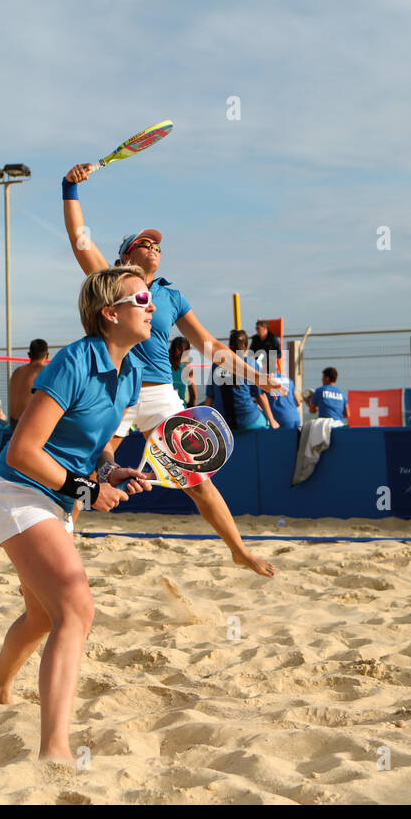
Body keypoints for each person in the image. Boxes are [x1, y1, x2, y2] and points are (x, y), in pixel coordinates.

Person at [62, 162, 285, 578]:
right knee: (86, 472)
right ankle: (56, 559)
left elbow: (210, 346)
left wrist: (257, 376)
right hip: (117, 389)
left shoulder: (171, 295)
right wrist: (69, 189)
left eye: (160, 245)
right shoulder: (115, 283)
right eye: (146, 242)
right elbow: (79, 242)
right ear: (127, 254)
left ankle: (238, 550)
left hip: (161, 393)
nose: (155, 247)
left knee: (197, 482)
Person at [0, 266, 154, 759]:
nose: (151, 305)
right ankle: (54, 750)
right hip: (16, 492)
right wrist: (87, 490)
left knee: (40, 617)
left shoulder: (132, 372)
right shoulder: (74, 362)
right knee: (76, 609)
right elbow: (23, 451)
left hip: (57, 499)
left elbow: (91, 448)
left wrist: (110, 470)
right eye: (140, 299)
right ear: (109, 314)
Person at [217, 330, 278, 431]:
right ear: (246, 346)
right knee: (265, 425)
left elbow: (210, 399)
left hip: (223, 422)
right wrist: (272, 420)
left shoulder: (216, 364)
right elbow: (260, 396)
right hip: (248, 419)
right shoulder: (251, 363)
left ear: (229, 345)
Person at [7, 339, 50, 429]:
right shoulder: (46, 372)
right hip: (30, 424)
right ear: (47, 355)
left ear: (29, 355)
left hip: (14, 423)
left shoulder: (17, 372)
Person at [170, 336, 196, 408]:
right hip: (181, 410)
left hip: (165, 410)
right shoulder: (187, 369)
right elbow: (193, 396)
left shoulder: (163, 367)